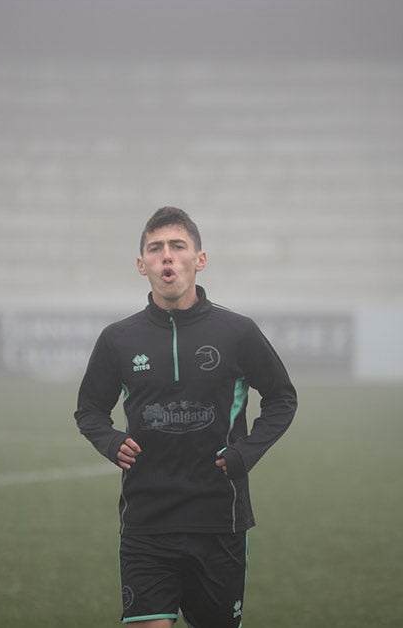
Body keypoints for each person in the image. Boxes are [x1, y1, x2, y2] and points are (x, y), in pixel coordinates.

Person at [75, 206, 297, 627]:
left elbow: (282, 398)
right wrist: (109, 441)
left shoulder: (238, 332)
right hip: (146, 522)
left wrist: (245, 453)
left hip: (220, 521)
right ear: (142, 265)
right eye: (155, 249)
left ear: (200, 259)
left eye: (178, 246)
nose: (167, 257)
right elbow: (89, 409)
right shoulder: (118, 339)